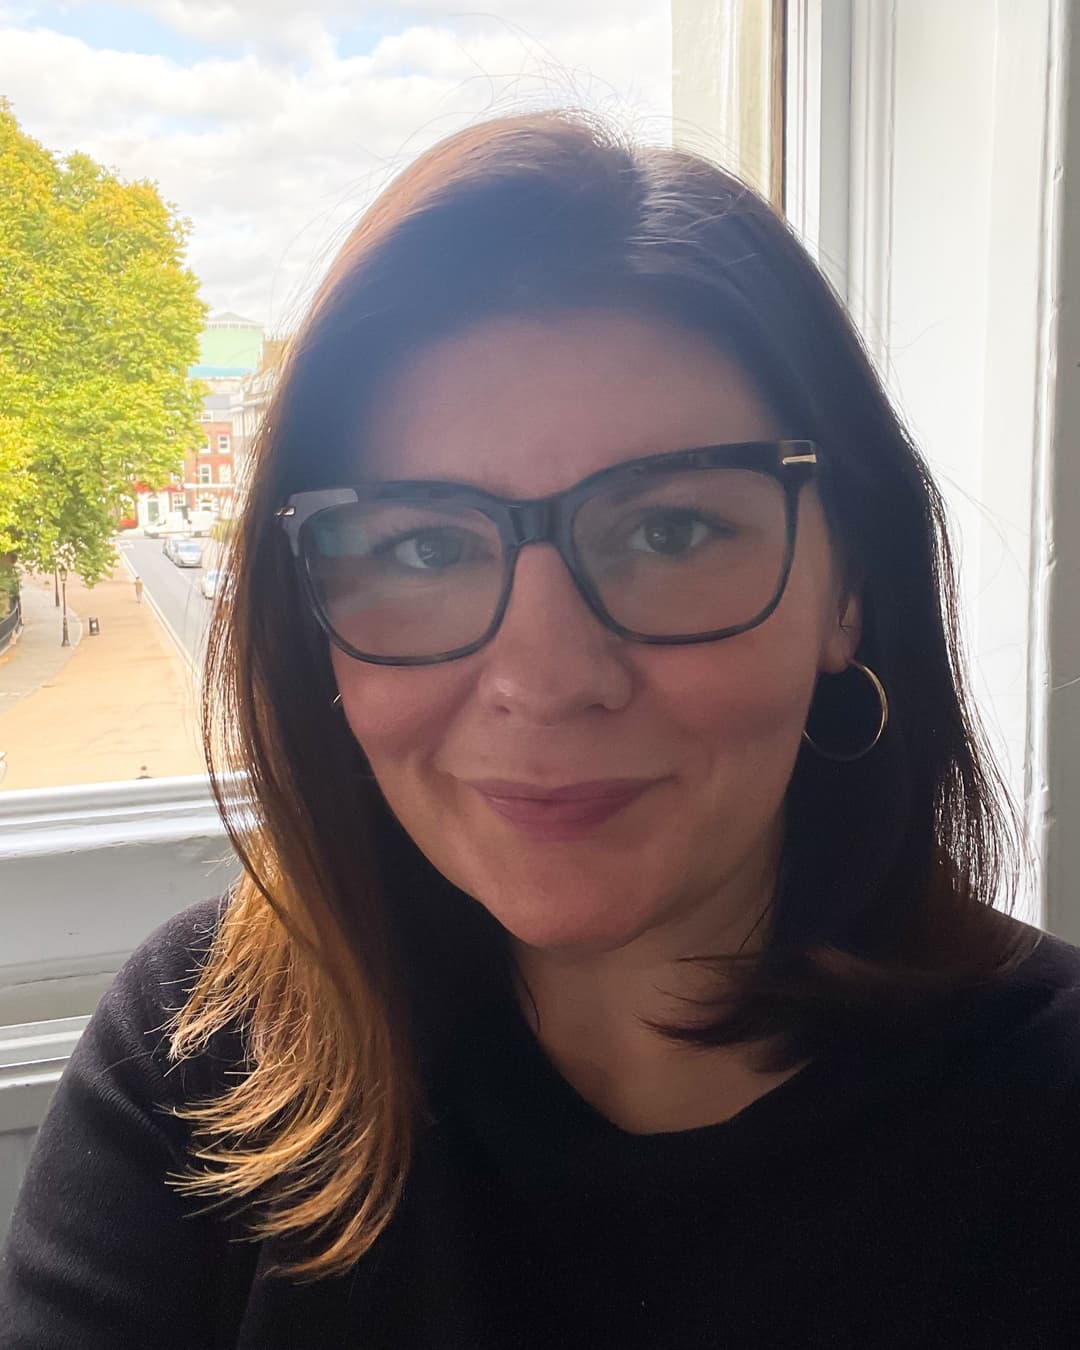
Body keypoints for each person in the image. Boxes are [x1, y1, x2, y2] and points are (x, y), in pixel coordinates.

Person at [2, 111, 1078, 1349]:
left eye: (670, 532)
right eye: (424, 548)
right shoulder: (200, 1048)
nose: (547, 680)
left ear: (850, 593)